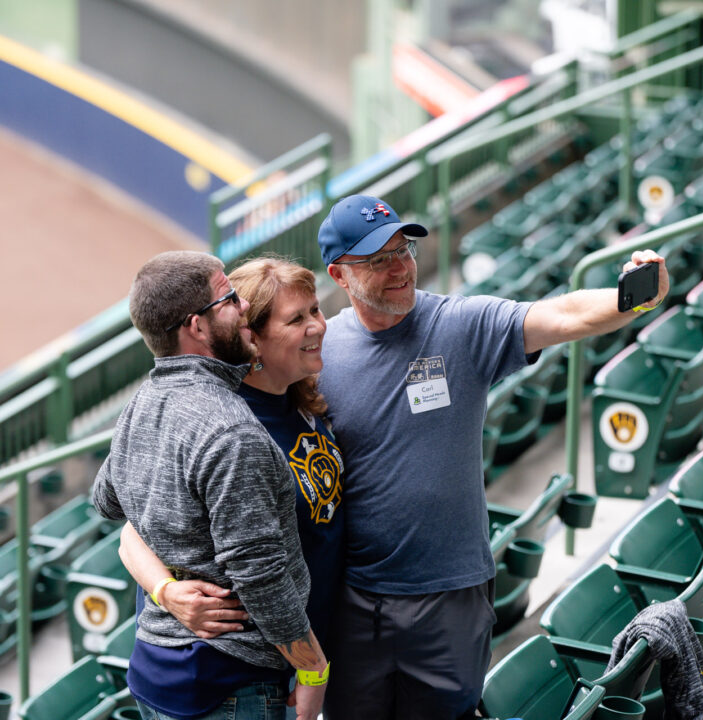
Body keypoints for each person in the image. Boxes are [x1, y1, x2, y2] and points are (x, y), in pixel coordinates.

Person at [313, 194, 669, 720]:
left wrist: (631, 297)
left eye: (403, 250)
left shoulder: (460, 324)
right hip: (355, 599)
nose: (400, 268)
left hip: (451, 594)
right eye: (377, 259)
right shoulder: (315, 352)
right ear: (340, 275)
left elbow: (565, 313)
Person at [92, 251, 330, 720]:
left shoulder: (143, 403)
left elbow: (107, 499)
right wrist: (313, 669)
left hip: (157, 670)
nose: (243, 308)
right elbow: (260, 578)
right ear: (196, 327)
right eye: (229, 299)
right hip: (228, 684)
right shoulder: (230, 430)